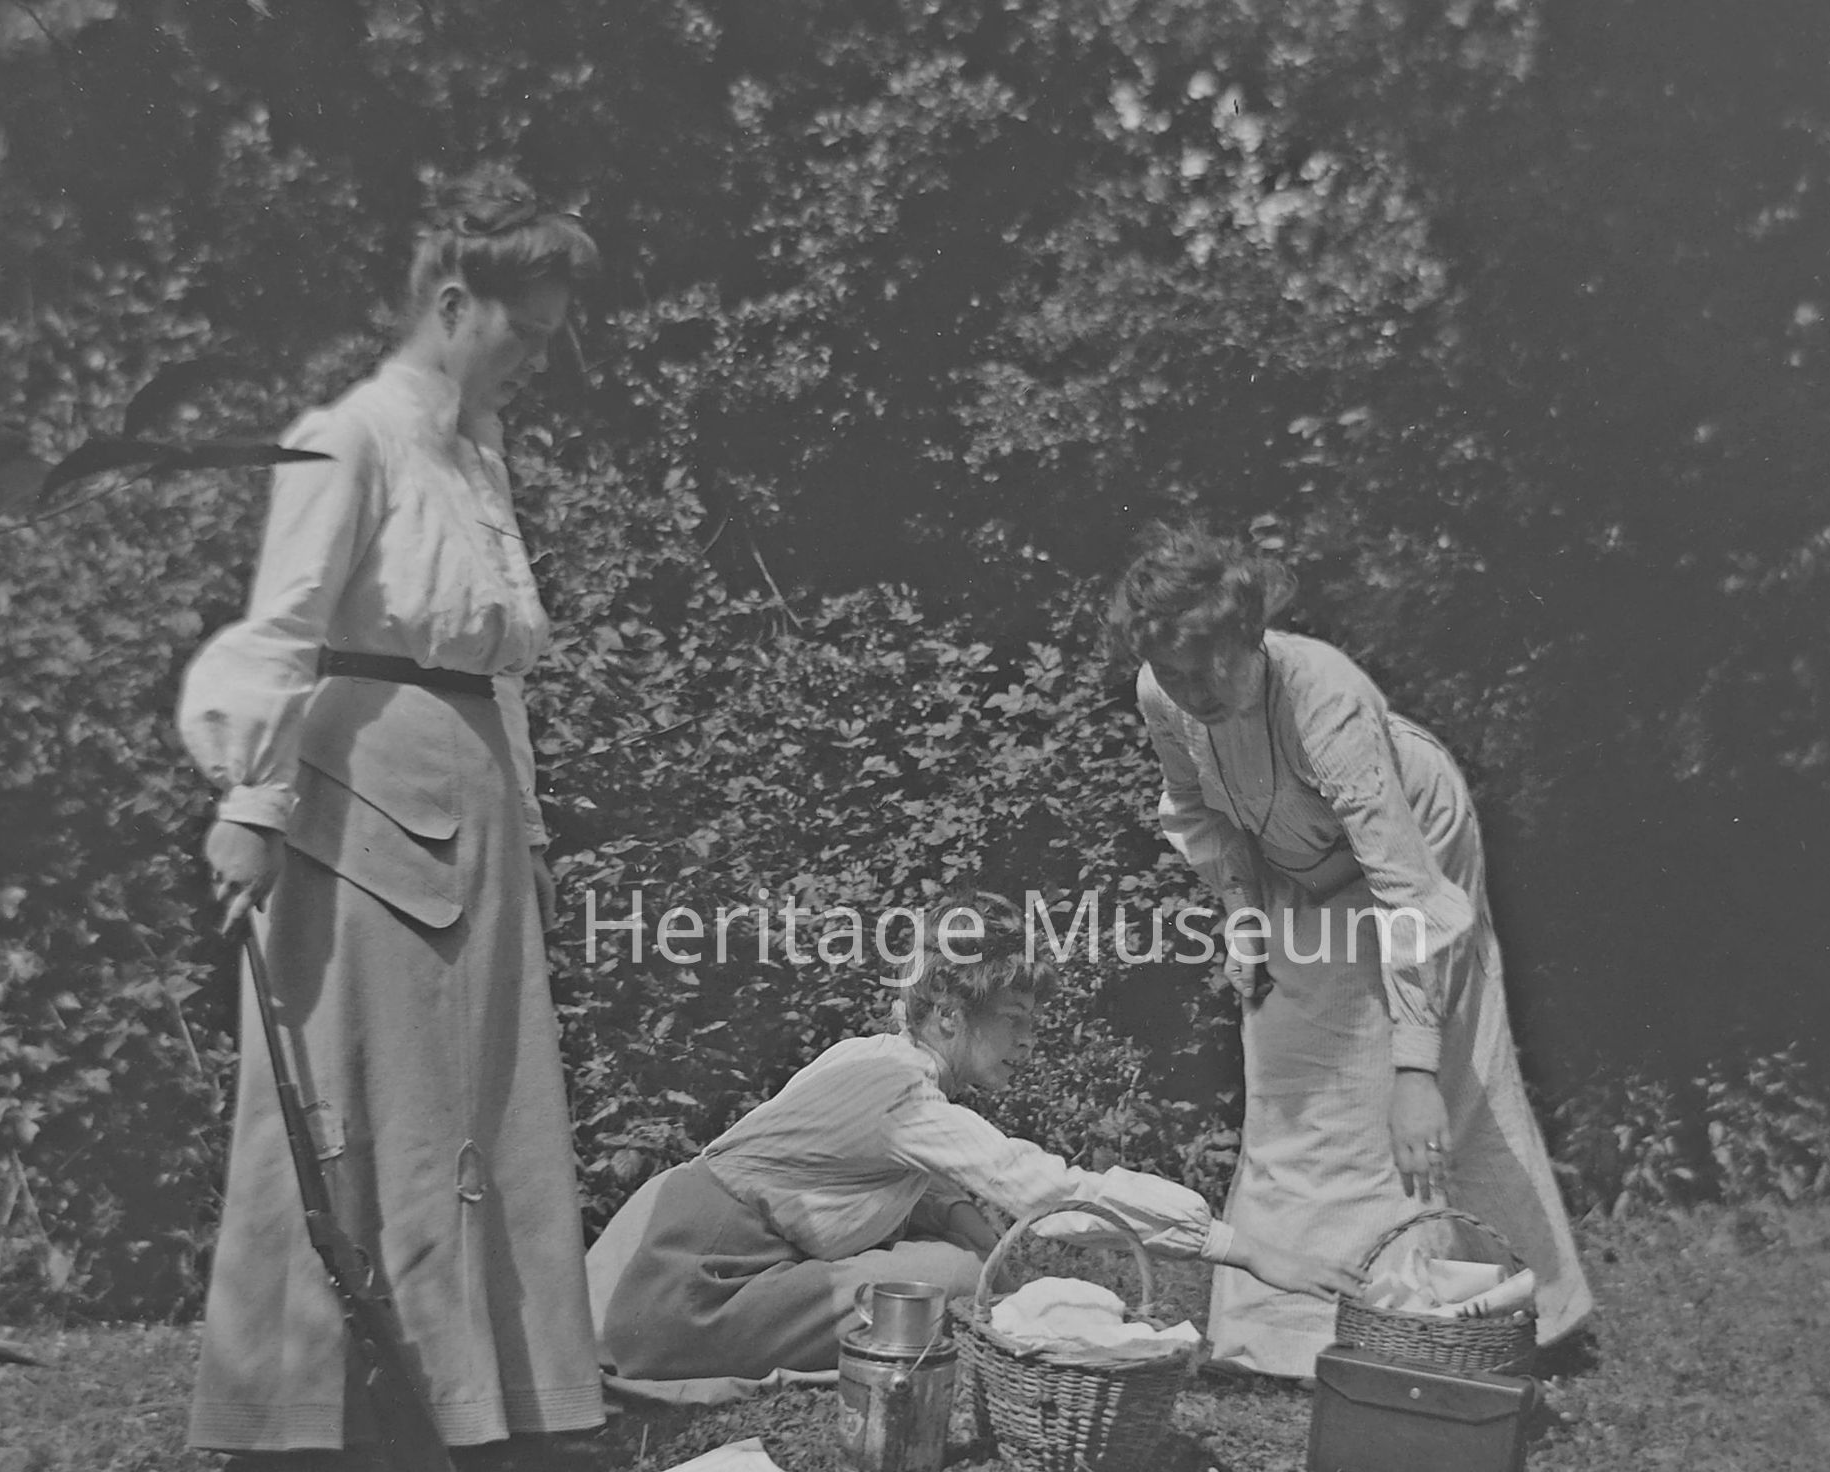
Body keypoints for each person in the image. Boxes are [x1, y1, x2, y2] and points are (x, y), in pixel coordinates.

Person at [176, 167, 608, 1457]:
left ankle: (491, 1399)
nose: (537, 360)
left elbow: (497, 673)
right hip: (360, 792)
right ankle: (315, 1410)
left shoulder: (477, 456)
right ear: (454, 303)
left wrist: (530, 829)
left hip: (476, 795)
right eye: (525, 332)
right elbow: (285, 628)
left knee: (485, 1100)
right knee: (362, 1088)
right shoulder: (351, 435)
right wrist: (254, 802)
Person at [1110, 524, 1594, 1378]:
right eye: (1174, 674)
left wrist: (1415, 1070)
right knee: (1291, 1074)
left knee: (1422, 1086)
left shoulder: (1325, 702)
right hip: (1292, 861)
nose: (1192, 692)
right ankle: (1283, 1340)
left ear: (1249, 638)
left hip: (1413, 847)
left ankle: (1504, 1313)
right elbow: (1200, 811)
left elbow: (1406, 893)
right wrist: (1244, 919)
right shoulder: (1163, 692)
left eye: (1208, 669)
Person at [586, 904, 1360, 1400]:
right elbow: (1050, 1194)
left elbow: (906, 1180)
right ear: (952, 1015)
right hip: (682, 1294)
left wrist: (975, 1231)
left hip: (641, 1259)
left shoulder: (871, 1058)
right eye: (1014, 1020)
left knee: (959, 1258)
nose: (1028, 1043)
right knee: (953, 1282)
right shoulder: (904, 1096)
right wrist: (1238, 1247)